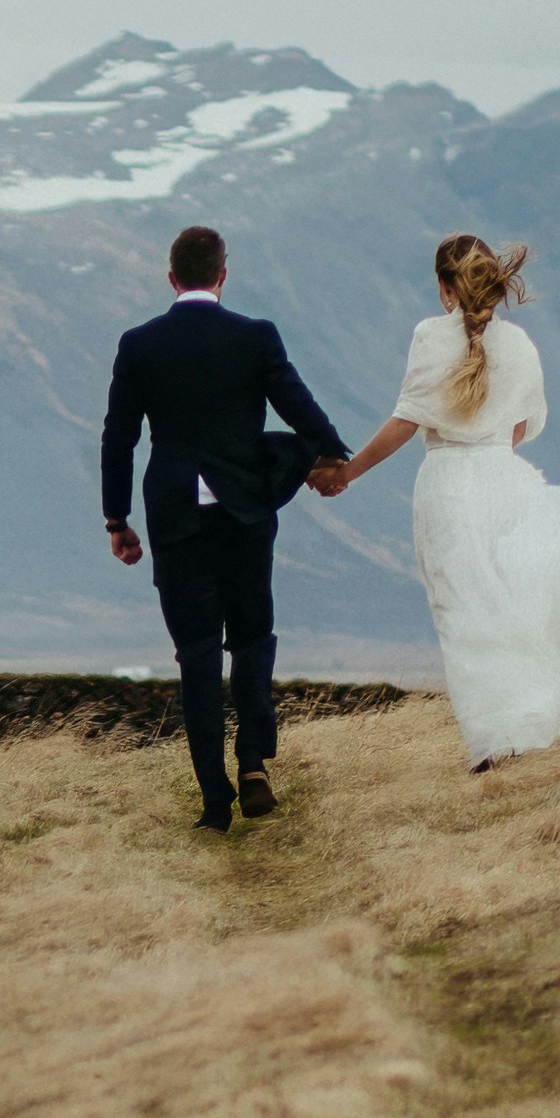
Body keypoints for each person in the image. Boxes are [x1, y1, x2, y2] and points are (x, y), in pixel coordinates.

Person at [312, 233, 560, 771]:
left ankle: (493, 745)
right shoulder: (522, 346)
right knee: (511, 608)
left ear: (444, 287)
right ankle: (520, 730)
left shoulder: (431, 337)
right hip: (508, 482)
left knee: (463, 616)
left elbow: (405, 422)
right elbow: (526, 425)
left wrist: (347, 472)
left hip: (448, 488)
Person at [98, 223, 346, 828]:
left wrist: (117, 518)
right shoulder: (255, 337)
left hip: (176, 515)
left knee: (199, 653)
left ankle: (214, 800)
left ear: (171, 277)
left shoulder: (140, 344)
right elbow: (298, 405)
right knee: (254, 638)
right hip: (245, 512)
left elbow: (120, 437)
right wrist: (333, 456)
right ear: (222, 275)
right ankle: (255, 763)